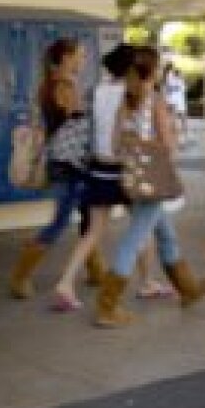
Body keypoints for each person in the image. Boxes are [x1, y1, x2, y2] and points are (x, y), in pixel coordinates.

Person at [96, 46, 205, 328]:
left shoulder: (127, 101)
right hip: (154, 181)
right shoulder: (156, 101)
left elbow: (114, 145)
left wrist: (135, 146)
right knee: (132, 240)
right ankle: (107, 306)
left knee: (166, 235)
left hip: (134, 179)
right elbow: (168, 145)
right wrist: (163, 140)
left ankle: (188, 289)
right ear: (152, 71)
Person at [9, 38, 107, 300]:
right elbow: (78, 120)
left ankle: (96, 269)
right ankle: (20, 276)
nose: (83, 60)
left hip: (70, 163)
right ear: (66, 57)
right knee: (61, 221)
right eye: (80, 55)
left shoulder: (50, 84)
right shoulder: (63, 86)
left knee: (89, 217)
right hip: (70, 164)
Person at [46, 43, 135, 311]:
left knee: (94, 231)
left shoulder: (95, 91)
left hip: (97, 167)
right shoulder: (129, 94)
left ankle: (65, 282)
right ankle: (130, 289)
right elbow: (123, 133)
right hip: (120, 168)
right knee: (144, 226)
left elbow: (86, 124)